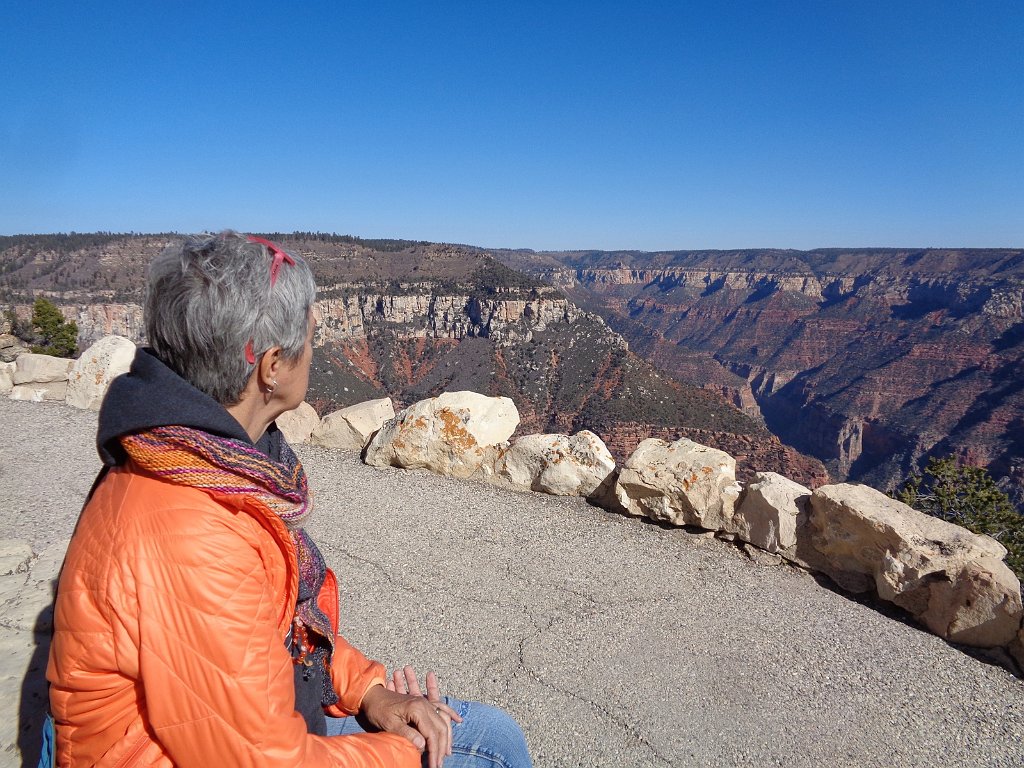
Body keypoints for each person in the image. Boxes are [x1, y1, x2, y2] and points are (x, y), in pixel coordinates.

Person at [47, 231, 532, 768]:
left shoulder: (200, 458)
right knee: (495, 751)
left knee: (493, 734)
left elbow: (275, 635)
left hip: (230, 726)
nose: (315, 348)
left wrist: (372, 690)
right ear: (271, 366)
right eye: (309, 336)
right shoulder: (193, 529)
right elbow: (260, 759)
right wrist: (401, 750)